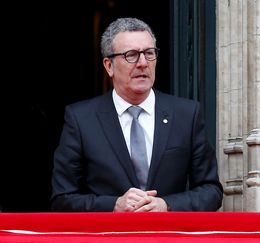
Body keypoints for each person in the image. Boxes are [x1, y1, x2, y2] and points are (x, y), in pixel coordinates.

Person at [51, 17, 223, 212]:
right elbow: (62, 198)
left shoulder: (187, 114)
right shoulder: (81, 119)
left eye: (149, 53)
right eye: (131, 55)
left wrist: (167, 205)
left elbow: (211, 191)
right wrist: (113, 205)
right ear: (109, 66)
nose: (143, 63)